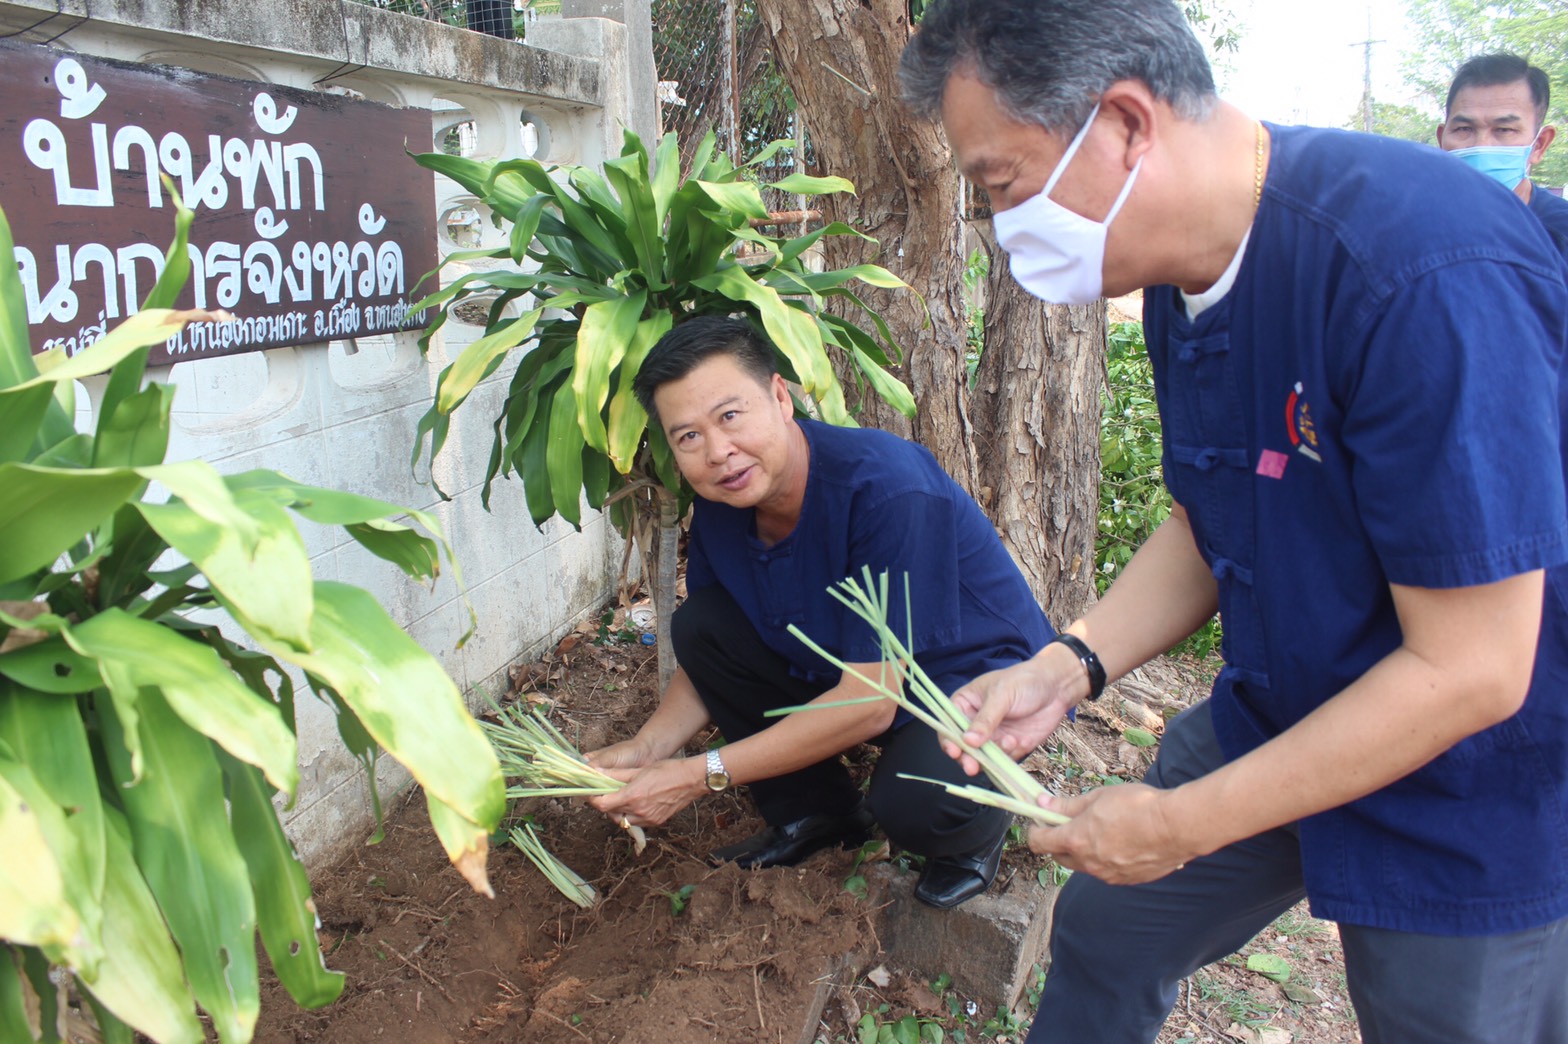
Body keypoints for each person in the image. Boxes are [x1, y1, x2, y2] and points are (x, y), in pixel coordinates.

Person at [899, 1, 1568, 1040]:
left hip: (1468, 773)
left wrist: (1176, 824)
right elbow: (1213, 510)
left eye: (999, 185)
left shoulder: (1422, 272)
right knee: (1109, 929)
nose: (999, 225)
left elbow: (1474, 667)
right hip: (1285, 705)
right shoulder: (1184, 272)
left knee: (1437, 1019)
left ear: (1122, 123)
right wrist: (1068, 662)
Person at [584, 315, 1054, 909]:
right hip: (855, 671)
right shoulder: (726, 503)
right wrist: (650, 748)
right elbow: (712, 656)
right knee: (701, 625)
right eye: (688, 437)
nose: (719, 452)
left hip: (972, 685)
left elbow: (869, 703)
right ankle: (817, 814)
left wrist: (698, 774)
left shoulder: (888, 491)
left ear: (780, 397)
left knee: (915, 802)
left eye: (730, 416)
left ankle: (972, 836)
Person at [1438, 52, 1568, 261]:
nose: (1481, 147)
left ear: (1539, 145)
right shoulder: (1412, 226)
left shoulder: (1560, 234)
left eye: (1504, 130)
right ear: (1441, 139)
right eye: (1464, 128)